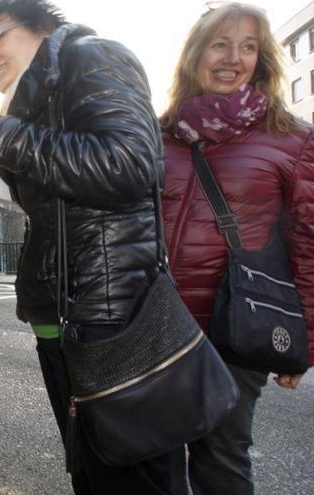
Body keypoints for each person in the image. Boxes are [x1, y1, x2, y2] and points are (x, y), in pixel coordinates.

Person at [0, 1, 172, 493]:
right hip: (58, 310)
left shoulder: (93, 56)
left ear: (41, 25)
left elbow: (128, 165)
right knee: (87, 463)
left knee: (132, 468)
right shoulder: (29, 105)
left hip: (111, 312)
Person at [160, 4, 313, 494]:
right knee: (150, 457)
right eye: (221, 44)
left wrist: (304, 343)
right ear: (195, 55)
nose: (233, 57)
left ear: (262, 60)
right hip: (157, 325)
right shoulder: (158, 135)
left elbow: (308, 243)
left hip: (237, 328)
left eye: (248, 47)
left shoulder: (293, 140)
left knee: (221, 462)